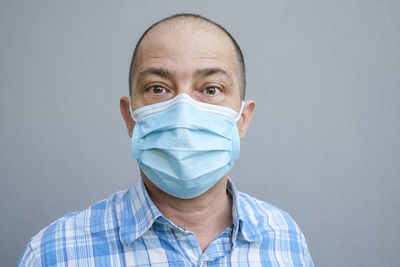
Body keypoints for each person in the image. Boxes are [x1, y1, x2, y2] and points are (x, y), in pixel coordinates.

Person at [19, 13, 313, 266]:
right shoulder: (53, 253)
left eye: (210, 89)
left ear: (243, 119)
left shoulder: (285, 238)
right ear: (130, 117)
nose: (183, 110)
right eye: (158, 88)